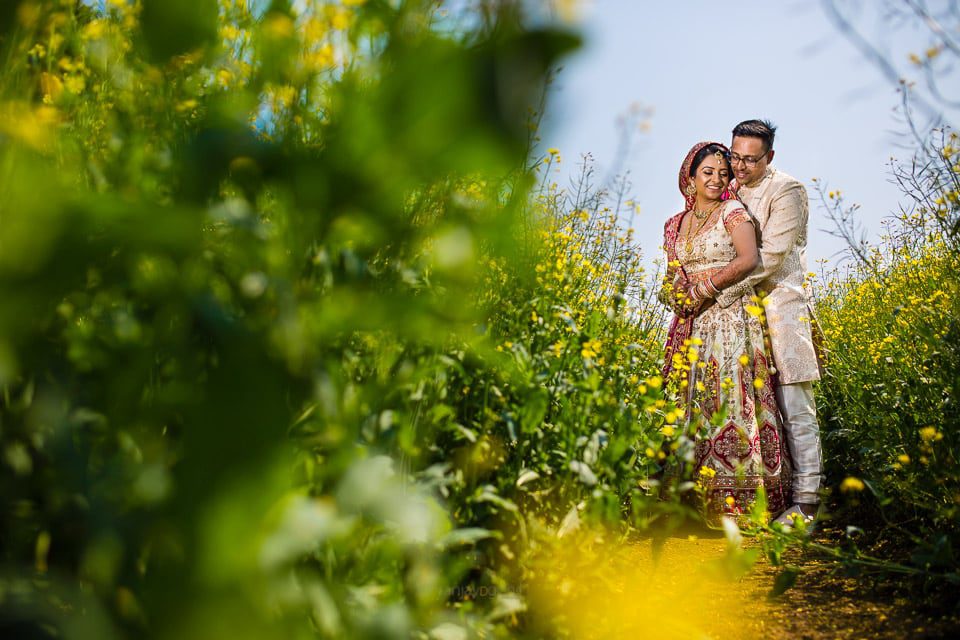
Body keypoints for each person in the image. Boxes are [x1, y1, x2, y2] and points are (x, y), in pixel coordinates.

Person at [658, 141, 792, 526]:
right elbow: (672, 272)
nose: (717, 179)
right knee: (691, 406)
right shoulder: (674, 225)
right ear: (691, 177)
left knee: (731, 400)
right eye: (708, 172)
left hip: (731, 318)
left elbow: (749, 260)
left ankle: (737, 506)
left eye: (723, 172)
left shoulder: (733, 213)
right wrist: (675, 295)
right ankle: (689, 506)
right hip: (691, 324)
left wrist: (704, 290)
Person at [714, 120, 824, 530]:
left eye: (749, 159)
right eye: (734, 156)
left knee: (796, 405)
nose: (739, 166)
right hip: (738, 314)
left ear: (770, 157)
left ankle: (808, 504)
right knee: (755, 409)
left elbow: (771, 256)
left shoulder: (788, 190)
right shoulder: (730, 189)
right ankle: (768, 497)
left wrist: (716, 289)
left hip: (782, 307)